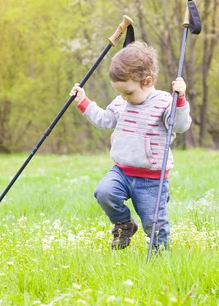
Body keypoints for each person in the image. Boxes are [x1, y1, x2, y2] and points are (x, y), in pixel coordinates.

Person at [70, 41, 192, 250]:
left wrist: (180, 100)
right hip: (122, 171)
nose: (124, 98)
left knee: (155, 223)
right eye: (120, 93)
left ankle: (160, 256)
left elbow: (180, 126)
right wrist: (83, 101)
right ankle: (124, 224)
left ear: (147, 81)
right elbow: (104, 119)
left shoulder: (164, 102)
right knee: (104, 193)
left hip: (151, 179)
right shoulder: (121, 102)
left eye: (128, 92)